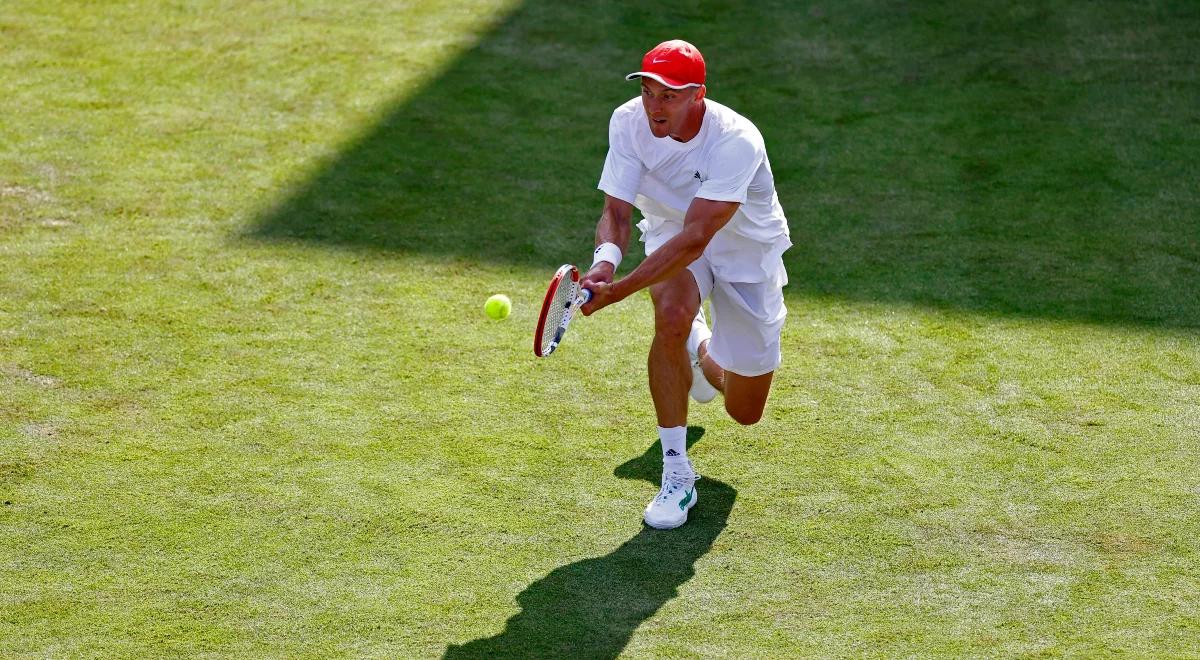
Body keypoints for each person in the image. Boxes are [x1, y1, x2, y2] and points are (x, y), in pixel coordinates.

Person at [580, 39, 791, 530]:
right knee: (670, 315)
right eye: (649, 90)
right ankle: (676, 471)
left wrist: (623, 288)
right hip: (673, 230)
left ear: (699, 94)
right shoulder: (628, 121)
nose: (655, 104)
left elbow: (700, 237)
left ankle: (701, 350)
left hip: (744, 249)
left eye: (670, 94)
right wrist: (605, 264)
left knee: (745, 410)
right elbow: (616, 210)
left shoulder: (736, 139)